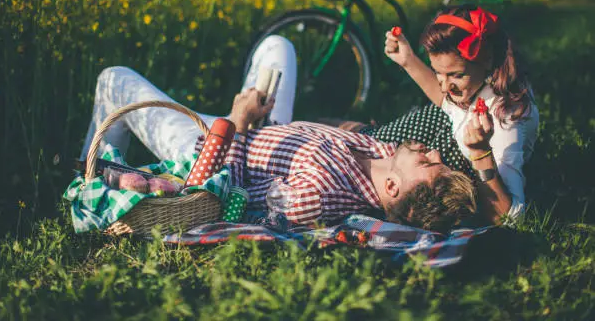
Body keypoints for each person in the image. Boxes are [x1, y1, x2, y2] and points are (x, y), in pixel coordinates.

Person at [80, 37, 476, 233]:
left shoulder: (315, 197)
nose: (434, 153)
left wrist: (237, 118)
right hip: (267, 127)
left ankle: (91, 174)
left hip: (212, 145)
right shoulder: (385, 154)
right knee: (278, 44)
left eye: (427, 162)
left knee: (113, 79)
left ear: (391, 188)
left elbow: (219, 190)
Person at [340, 5, 539, 224]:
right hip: (442, 131)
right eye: (438, 73)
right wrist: (408, 60)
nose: (444, 86)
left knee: (375, 158)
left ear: (488, 59)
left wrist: (481, 153)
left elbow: (510, 218)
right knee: (368, 135)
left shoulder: (505, 119)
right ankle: (326, 128)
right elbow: (447, 104)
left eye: (455, 75)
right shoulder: (476, 83)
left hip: (458, 163)